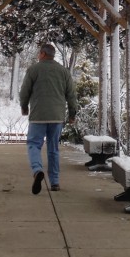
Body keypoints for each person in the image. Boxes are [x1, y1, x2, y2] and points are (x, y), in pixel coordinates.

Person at [19, 42, 78, 194]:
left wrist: (24, 107)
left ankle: (37, 170)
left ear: (43, 54)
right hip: (57, 117)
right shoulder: (63, 71)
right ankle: (55, 182)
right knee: (53, 149)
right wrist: (72, 114)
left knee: (33, 144)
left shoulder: (33, 70)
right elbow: (71, 95)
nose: (38, 56)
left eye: (39, 53)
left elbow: (24, 91)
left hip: (38, 115)